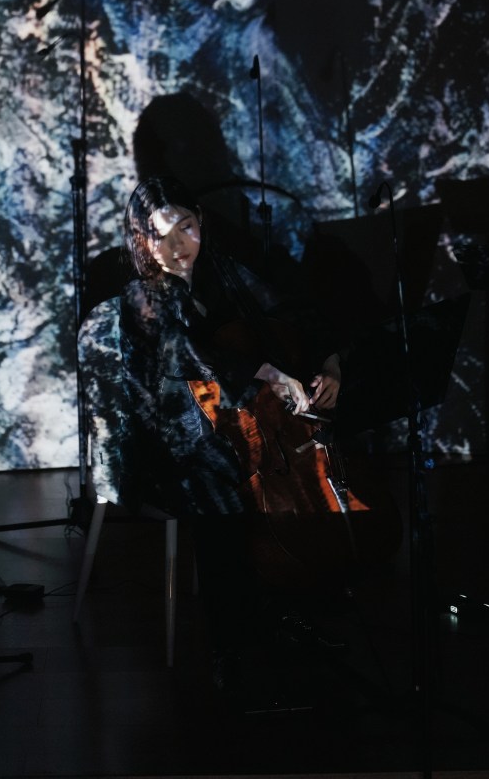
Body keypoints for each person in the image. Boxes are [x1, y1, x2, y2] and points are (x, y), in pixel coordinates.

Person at [118, 175, 342, 698]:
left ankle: (294, 612)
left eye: (187, 227)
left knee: (294, 479)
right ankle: (230, 645)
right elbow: (189, 356)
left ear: (201, 220)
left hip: (237, 429)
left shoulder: (223, 271)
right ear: (143, 240)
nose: (178, 246)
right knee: (219, 491)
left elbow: (295, 313)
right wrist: (266, 371)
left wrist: (330, 362)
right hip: (169, 443)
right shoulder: (143, 295)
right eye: (161, 235)